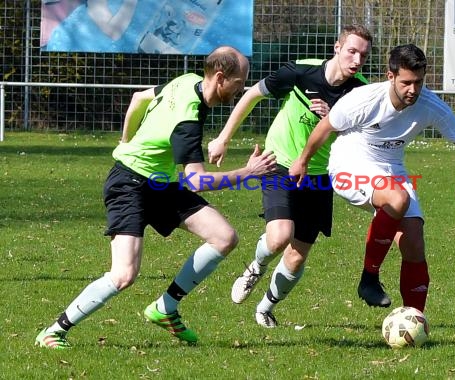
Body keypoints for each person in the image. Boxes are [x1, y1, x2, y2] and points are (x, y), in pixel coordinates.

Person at [34, 46, 276, 349]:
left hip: (158, 184)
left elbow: (137, 99)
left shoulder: (187, 80)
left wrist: (126, 140)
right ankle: (54, 331)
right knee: (123, 275)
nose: (241, 90)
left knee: (224, 237)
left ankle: (166, 308)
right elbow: (196, 180)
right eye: (239, 83)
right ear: (220, 78)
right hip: (128, 185)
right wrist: (248, 171)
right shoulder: (188, 121)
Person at [289, 44, 455, 313]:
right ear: (391, 77)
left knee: (414, 239)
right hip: (348, 165)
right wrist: (303, 161)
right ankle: (369, 278)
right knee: (396, 197)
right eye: (406, 83)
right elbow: (325, 126)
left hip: (391, 168)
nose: (413, 90)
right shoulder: (364, 99)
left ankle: (415, 320)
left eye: (419, 82)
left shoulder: (429, 104)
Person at [207, 25, 373, 327]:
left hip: (319, 174)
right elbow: (251, 96)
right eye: (352, 50)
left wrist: (333, 117)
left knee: (297, 256)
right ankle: (255, 267)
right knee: (279, 237)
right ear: (337, 48)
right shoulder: (300, 72)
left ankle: (266, 307)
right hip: (279, 161)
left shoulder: (361, 92)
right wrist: (223, 138)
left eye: (363, 54)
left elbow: (364, 136)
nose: (357, 59)